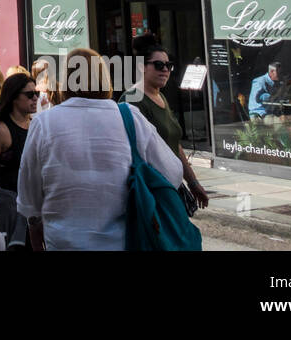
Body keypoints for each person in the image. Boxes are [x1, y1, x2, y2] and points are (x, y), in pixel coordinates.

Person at [17, 47, 184, 250]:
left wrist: (36, 227)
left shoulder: (43, 123)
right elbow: (173, 174)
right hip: (124, 242)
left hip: (63, 243)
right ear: (105, 78)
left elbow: (29, 200)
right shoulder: (129, 116)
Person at [127, 42, 210, 210]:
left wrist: (192, 182)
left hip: (171, 186)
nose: (165, 70)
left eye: (168, 65)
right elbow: (133, 154)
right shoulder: (133, 100)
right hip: (154, 193)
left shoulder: (160, 97)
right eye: (158, 65)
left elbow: (174, 144)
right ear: (142, 67)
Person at [0, 72, 35, 249]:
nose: (35, 98)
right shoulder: (1, 131)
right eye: (29, 95)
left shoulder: (36, 125)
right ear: (14, 97)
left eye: (37, 94)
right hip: (9, 206)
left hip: (34, 206)